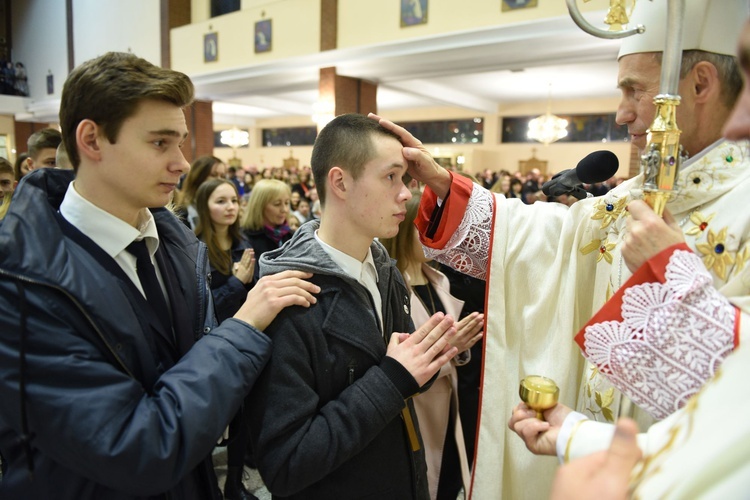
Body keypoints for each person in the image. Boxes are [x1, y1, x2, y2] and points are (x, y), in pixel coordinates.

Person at [371, 0, 749, 497]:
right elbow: (547, 240)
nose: (622, 113)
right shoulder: (628, 199)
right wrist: (445, 186)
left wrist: (668, 273)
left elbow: (734, 407)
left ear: (699, 84)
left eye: (635, 89)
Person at [0, 51, 319, 499]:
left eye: (182, 142)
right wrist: (243, 328)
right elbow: (138, 447)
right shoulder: (21, 283)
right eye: (159, 143)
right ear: (91, 140)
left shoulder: (175, 244)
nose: (182, 163)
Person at [247, 113, 459, 499]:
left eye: (406, 179)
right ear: (340, 182)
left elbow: (402, 374)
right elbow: (286, 464)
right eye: (390, 177)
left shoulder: (380, 266)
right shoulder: (287, 297)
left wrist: (427, 358)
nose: (406, 194)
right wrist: (393, 377)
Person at [380, 190, 483, 500]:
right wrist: (446, 348)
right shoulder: (390, 288)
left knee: (449, 480)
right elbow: (391, 354)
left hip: (452, 404)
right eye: (423, 229)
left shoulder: (440, 280)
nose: (432, 237)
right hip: (417, 408)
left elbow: (457, 350)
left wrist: (460, 349)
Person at [193, 178, 258, 500]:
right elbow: (201, 308)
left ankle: (235, 483)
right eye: (221, 201)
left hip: (244, 342)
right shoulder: (194, 249)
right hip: (209, 346)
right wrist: (235, 283)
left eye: (233, 200)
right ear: (204, 207)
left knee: (243, 417)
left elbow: (255, 298)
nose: (230, 207)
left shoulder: (243, 244)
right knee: (209, 420)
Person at [240, 179, 293, 278]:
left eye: (286, 203)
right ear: (259, 206)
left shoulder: (293, 236)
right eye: (277, 204)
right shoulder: (244, 239)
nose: (284, 210)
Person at [173, 155, 227, 229]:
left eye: (223, 176)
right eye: (214, 175)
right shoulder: (183, 211)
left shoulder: (225, 207)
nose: (219, 180)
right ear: (199, 177)